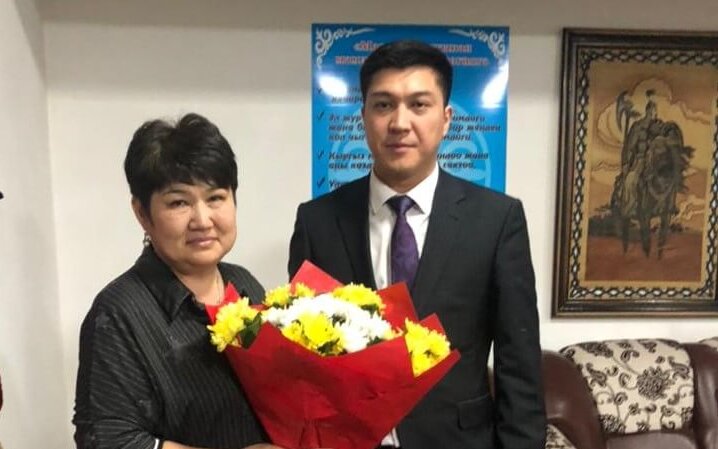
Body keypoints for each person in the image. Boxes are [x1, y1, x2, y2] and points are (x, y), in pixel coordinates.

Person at [289, 41, 546, 449]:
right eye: (383, 105)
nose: (399, 122)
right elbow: (303, 365)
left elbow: (520, 366)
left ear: (446, 119)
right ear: (363, 117)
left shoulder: (496, 221)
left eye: (419, 105)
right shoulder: (317, 222)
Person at [73, 113, 286, 449]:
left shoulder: (244, 284)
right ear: (142, 213)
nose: (202, 219)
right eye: (179, 202)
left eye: (215, 197)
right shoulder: (117, 312)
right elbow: (110, 440)